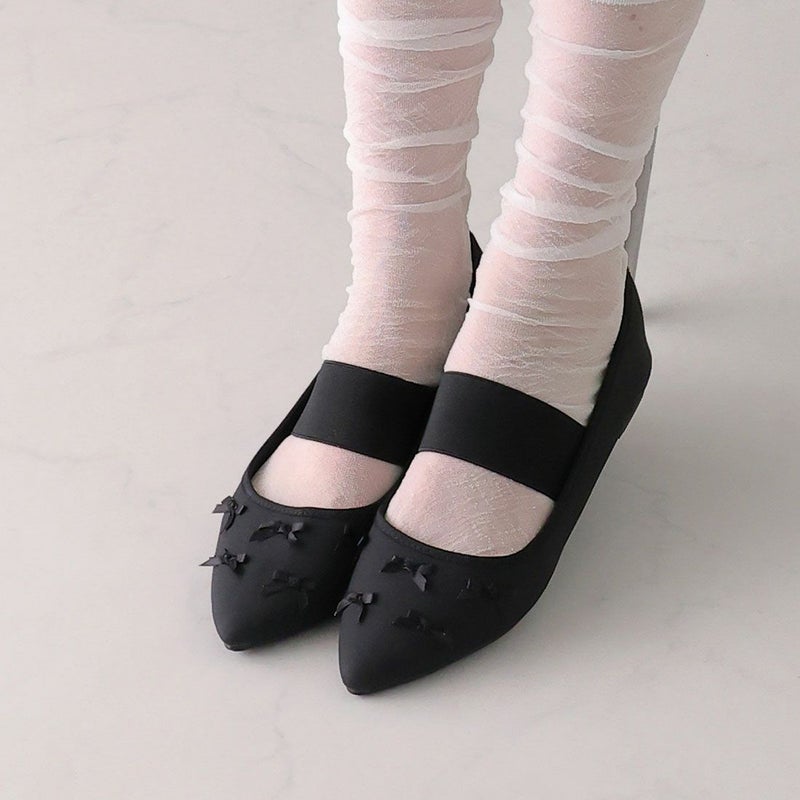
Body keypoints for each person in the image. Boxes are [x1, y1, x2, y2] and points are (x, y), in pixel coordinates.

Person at [204, 0, 704, 693]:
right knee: (401, 218)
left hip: (553, 309)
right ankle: (405, 284)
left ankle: (551, 298)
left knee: (571, 204)